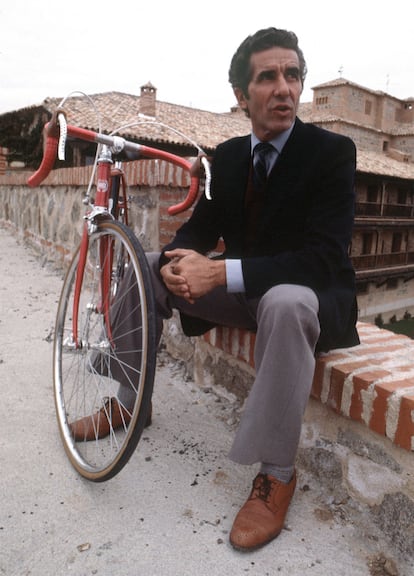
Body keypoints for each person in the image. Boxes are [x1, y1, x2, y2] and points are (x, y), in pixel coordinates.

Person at [71, 27, 359, 551]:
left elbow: (322, 261)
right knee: (151, 261)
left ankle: (276, 475)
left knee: (288, 299)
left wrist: (218, 273)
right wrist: (183, 261)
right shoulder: (227, 157)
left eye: (293, 75)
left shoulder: (333, 153)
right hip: (247, 293)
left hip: (303, 299)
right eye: (268, 77)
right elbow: (200, 230)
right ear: (241, 95)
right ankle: (129, 400)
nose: (284, 89)